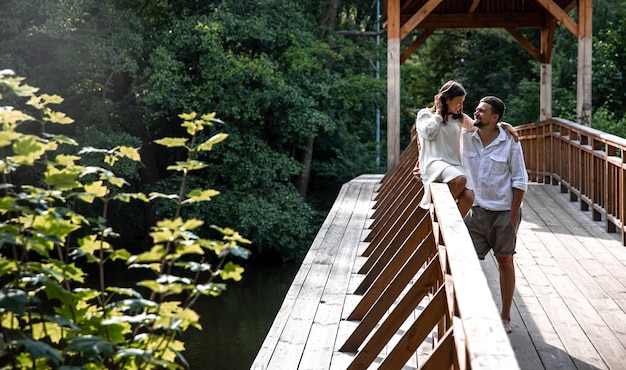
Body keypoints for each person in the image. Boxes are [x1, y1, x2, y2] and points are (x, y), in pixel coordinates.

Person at [462, 96, 528, 334]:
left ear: (495, 118)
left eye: (482, 111)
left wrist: (512, 216)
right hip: (475, 212)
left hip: (503, 213)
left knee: (505, 262)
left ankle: (505, 317)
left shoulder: (510, 141)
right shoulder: (465, 137)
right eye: (476, 110)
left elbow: (520, 181)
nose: (476, 113)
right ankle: (470, 314)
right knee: (465, 263)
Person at [414, 81, 475, 216]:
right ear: (447, 100)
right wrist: (439, 113)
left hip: (454, 164)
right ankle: (441, 213)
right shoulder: (425, 114)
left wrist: (504, 126)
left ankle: (446, 221)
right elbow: (429, 133)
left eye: (462, 102)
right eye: (458, 101)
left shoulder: (459, 118)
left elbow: (480, 127)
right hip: (434, 163)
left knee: (469, 197)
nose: (461, 105)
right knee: (460, 179)